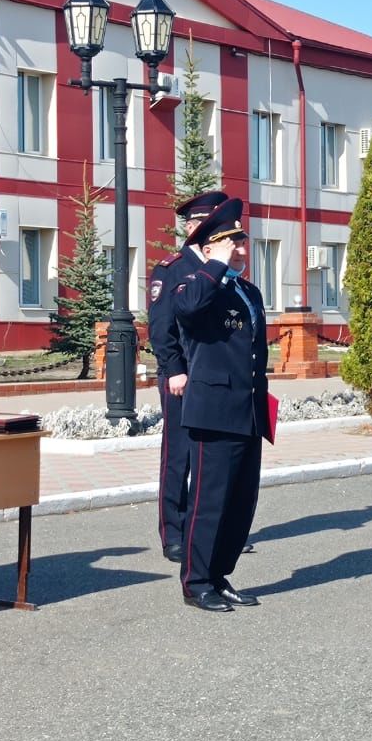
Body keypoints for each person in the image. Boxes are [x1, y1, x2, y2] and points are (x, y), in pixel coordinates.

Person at [172, 198, 269, 612]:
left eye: (243, 243)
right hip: (212, 411)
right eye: (233, 244)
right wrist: (214, 265)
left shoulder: (248, 291)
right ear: (210, 248)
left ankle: (220, 573)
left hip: (246, 409)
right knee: (209, 502)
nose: (241, 251)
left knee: (239, 502)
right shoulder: (194, 283)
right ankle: (196, 582)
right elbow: (187, 308)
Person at [148, 189, 227, 562]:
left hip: (213, 376)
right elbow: (160, 327)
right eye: (208, 225)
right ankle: (174, 533)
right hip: (182, 378)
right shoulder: (172, 268)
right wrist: (174, 369)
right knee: (178, 457)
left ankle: (204, 527)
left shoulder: (223, 268)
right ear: (193, 226)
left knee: (209, 457)